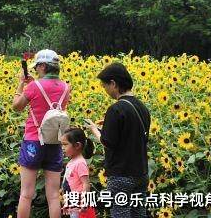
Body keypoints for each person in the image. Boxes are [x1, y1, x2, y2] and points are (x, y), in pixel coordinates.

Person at [86, 62, 150, 218]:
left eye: (105, 86)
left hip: (121, 175)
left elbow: (108, 142)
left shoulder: (116, 109)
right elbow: (130, 134)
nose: (105, 90)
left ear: (113, 83)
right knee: (139, 214)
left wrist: (94, 129)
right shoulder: (142, 107)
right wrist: (108, 124)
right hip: (141, 173)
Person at [12, 49, 70, 218]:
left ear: (43, 66)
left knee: (26, 194)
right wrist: (34, 84)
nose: (36, 69)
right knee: (53, 196)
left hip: (33, 141)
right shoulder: (66, 87)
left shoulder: (33, 86)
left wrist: (22, 84)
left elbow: (17, 107)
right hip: (54, 141)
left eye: (37, 66)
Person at [61, 127, 96, 218]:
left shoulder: (80, 163)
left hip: (80, 207)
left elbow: (86, 184)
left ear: (77, 145)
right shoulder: (72, 162)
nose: (62, 148)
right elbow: (68, 184)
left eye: (65, 145)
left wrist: (84, 202)